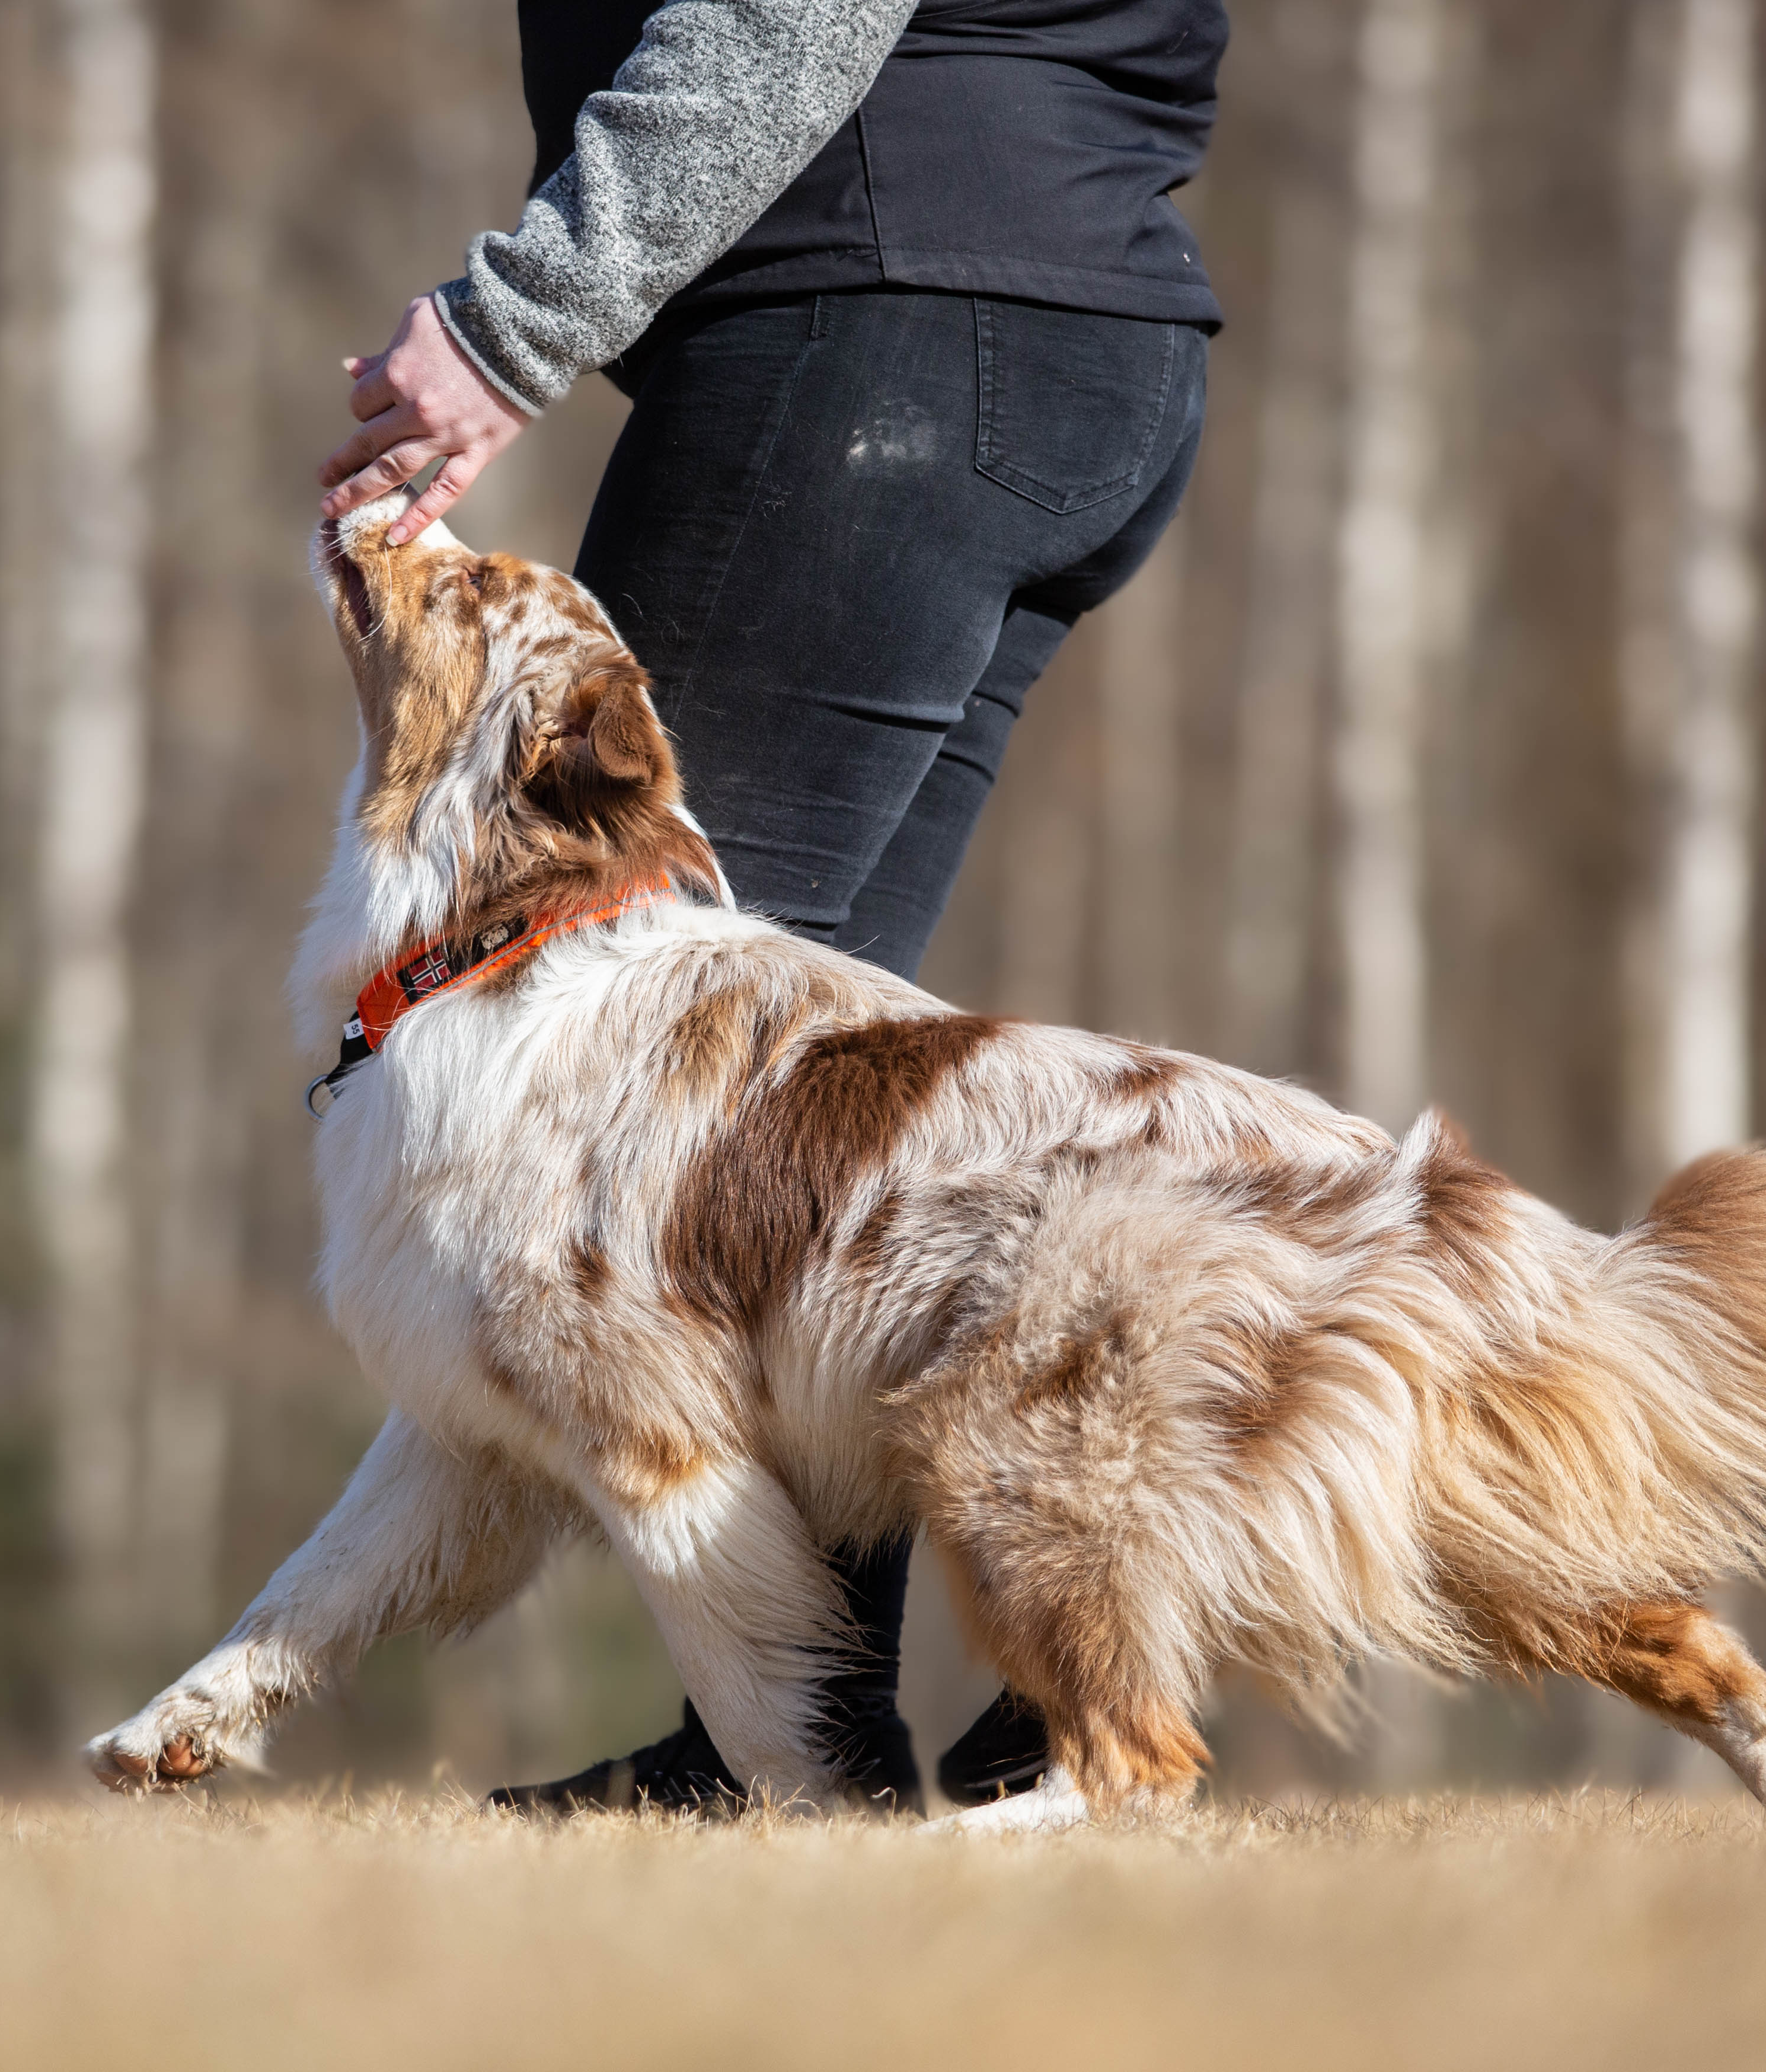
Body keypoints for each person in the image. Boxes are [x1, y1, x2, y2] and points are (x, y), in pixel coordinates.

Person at [319, 0, 1227, 1815]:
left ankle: (824, 1759)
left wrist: (515, 323)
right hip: (1079, 325)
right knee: (794, 1114)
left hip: (875, 332)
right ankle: (948, 1713)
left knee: (644, 1090)